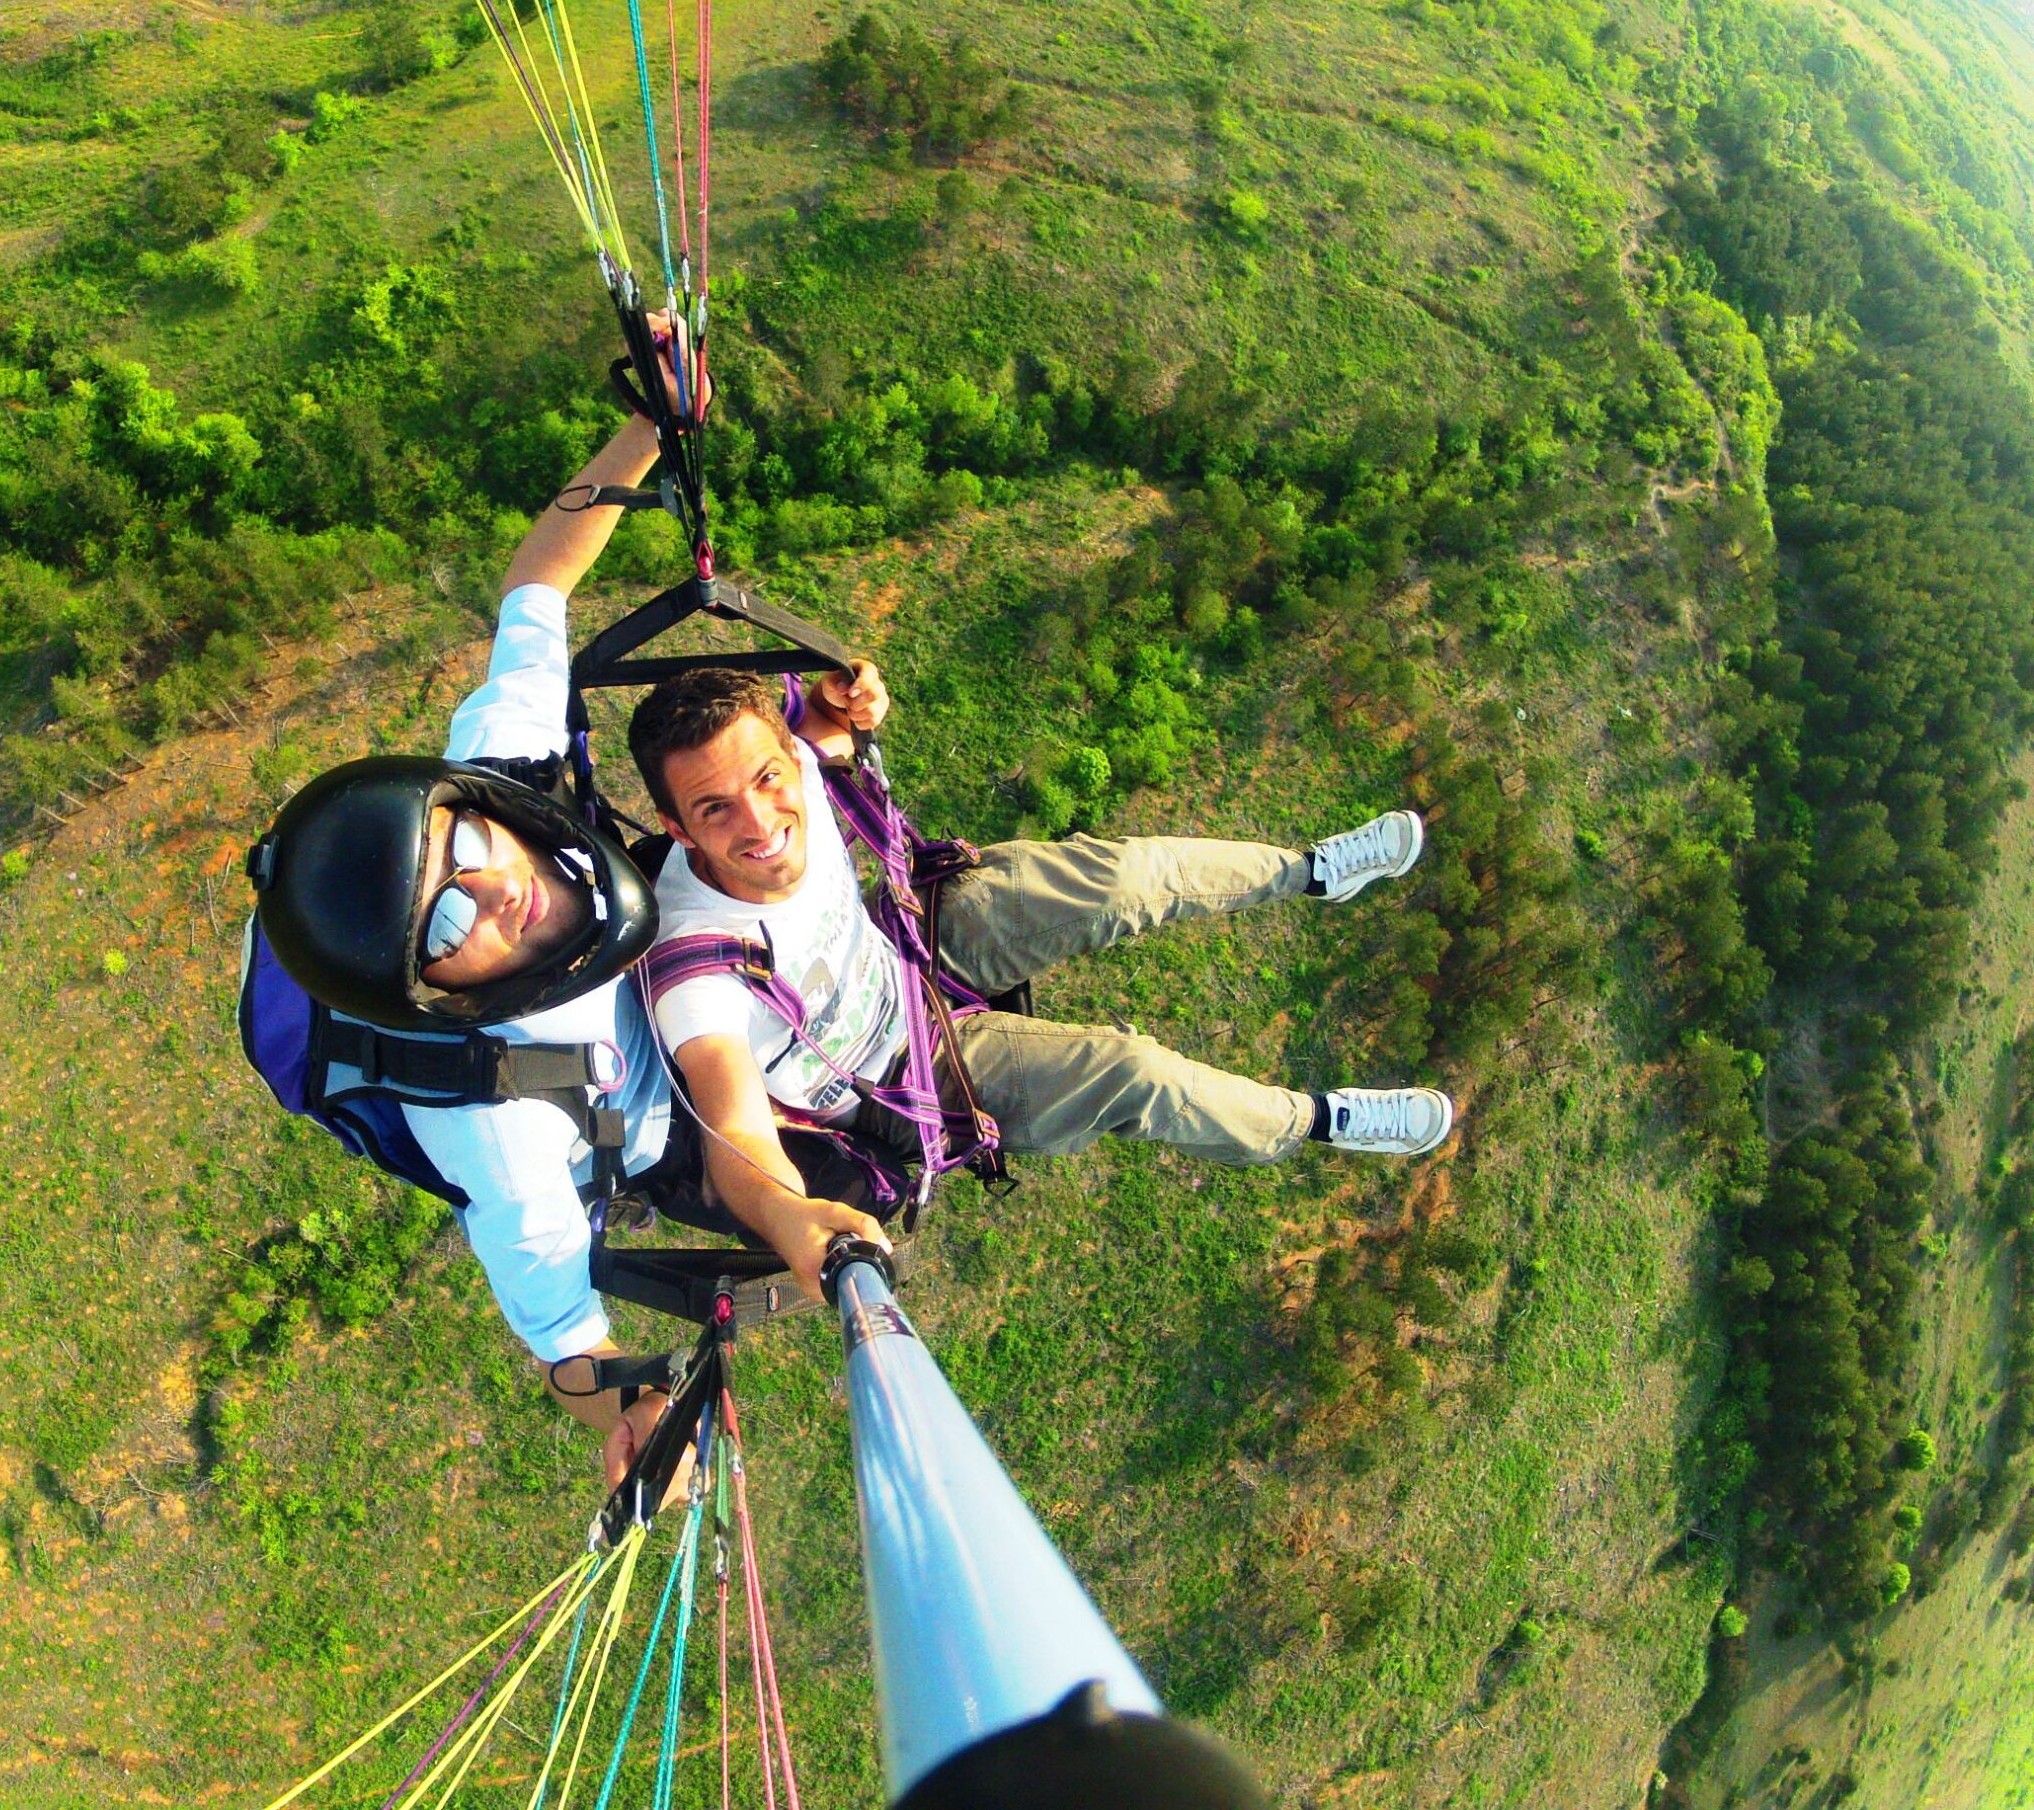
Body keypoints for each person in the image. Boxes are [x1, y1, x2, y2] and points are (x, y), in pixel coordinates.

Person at [240, 331, 886, 1494]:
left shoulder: (507, 770)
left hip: (648, 946)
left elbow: (535, 587)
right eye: (445, 928)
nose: (493, 883)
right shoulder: (501, 1130)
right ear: (432, 995)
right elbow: (563, 1338)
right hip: (654, 1119)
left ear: (472, 800)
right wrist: (625, 1411)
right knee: (884, 1158)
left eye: (468, 844)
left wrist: (648, 423)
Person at [628, 666, 1455, 1301]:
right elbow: (736, 1128)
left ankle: (1311, 874)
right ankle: (1315, 1120)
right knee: (1134, 1073)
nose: (760, 823)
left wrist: (856, 697)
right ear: (676, 828)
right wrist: (788, 1217)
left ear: (781, 758)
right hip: (902, 1080)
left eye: (767, 779)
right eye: (714, 810)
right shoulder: (695, 963)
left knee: (1120, 878)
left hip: (907, 944)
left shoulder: (793, 764)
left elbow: (826, 717)